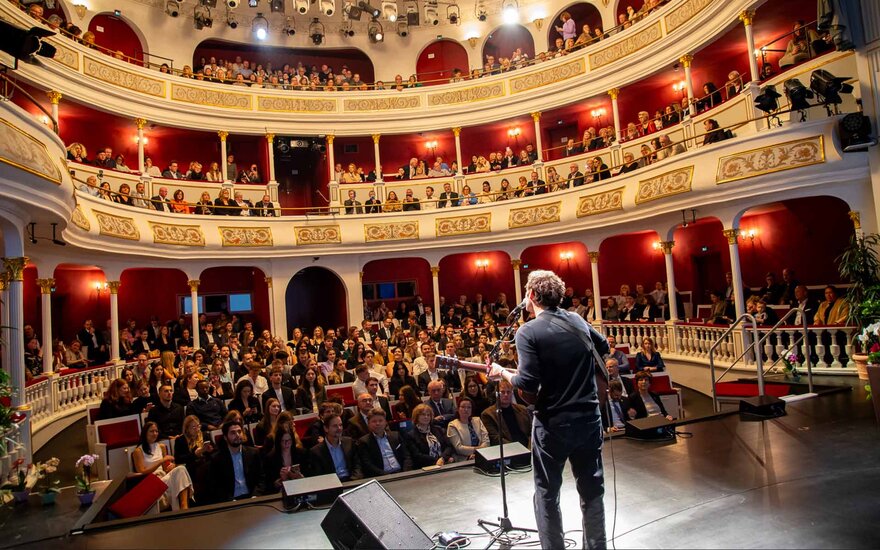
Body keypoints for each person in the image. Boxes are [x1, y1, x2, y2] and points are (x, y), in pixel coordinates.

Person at [488, 269, 610, 549]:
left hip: (553, 424)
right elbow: (602, 345)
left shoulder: (528, 331)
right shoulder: (576, 319)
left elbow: (527, 383)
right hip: (589, 419)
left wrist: (501, 372)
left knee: (547, 493)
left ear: (531, 295)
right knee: (592, 492)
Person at [132, 421, 193, 510]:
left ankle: (184, 506)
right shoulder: (138, 451)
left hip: (163, 477)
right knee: (180, 471)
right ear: (145, 433)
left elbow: (166, 470)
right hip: (151, 480)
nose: (155, 434)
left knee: (180, 468)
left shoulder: (161, 447)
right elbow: (141, 471)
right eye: (151, 431)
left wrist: (172, 466)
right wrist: (161, 461)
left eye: (156, 431)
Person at [208, 420, 264, 503]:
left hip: (252, 497)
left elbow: (261, 478)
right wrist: (230, 500)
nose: (237, 435)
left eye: (239, 431)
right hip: (230, 500)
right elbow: (216, 486)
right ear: (225, 437)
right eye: (233, 433)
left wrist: (256, 495)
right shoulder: (217, 459)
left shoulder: (253, 453)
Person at [354, 408, 412, 477]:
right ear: (368, 423)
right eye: (374, 421)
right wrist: (387, 476)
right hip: (382, 476)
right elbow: (367, 464)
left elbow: (407, 456)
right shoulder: (364, 441)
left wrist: (405, 472)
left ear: (385, 422)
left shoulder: (396, 436)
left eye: (380, 420)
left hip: (402, 472)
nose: (377, 423)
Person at [308, 413, 358, 480]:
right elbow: (319, 476)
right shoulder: (316, 452)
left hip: (352, 480)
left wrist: (354, 480)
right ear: (326, 428)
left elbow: (357, 465)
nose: (339, 428)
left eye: (340, 425)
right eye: (335, 426)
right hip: (332, 483)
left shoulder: (349, 442)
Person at [446, 397, 490, 461]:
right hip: (464, 459)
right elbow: (459, 448)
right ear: (458, 409)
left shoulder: (477, 420)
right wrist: (477, 451)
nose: (466, 409)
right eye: (463, 407)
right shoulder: (452, 425)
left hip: (483, 455)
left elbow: (486, 441)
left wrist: (478, 454)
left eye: (469, 407)